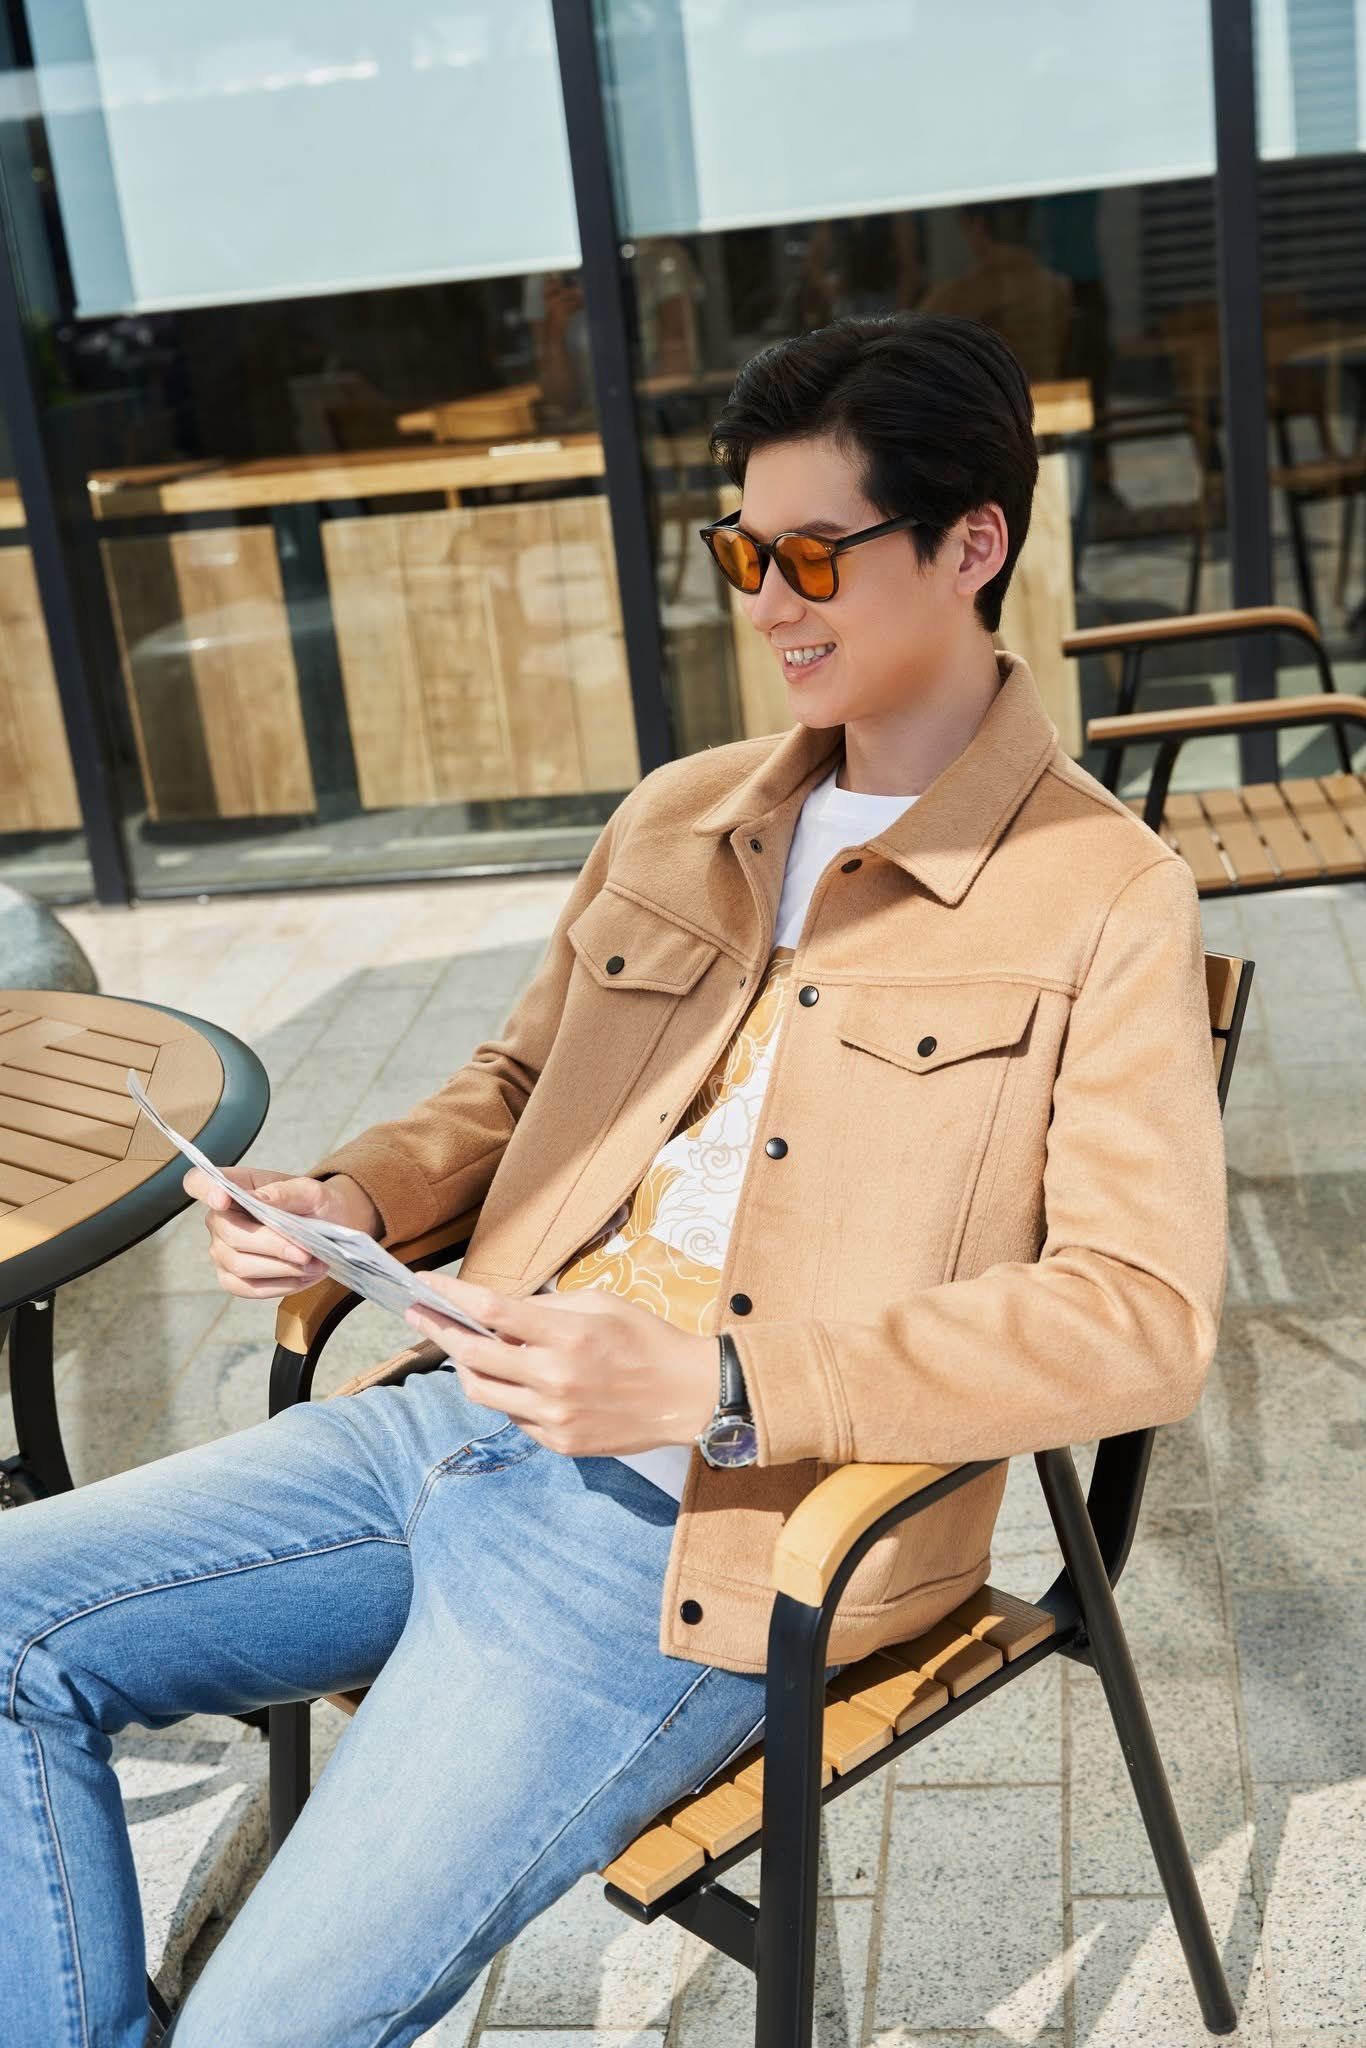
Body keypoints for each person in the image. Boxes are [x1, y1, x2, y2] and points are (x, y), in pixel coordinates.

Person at [0, 312, 1227, 2047]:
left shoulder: (1101, 893)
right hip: (444, 1424)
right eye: (743, 551)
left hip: (701, 1547)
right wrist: (353, 1202)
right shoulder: (676, 813)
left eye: (815, 553)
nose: (767, 602)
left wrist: (718, 1382)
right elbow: (514, 1090)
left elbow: (1140, 1317)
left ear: (973, 545)